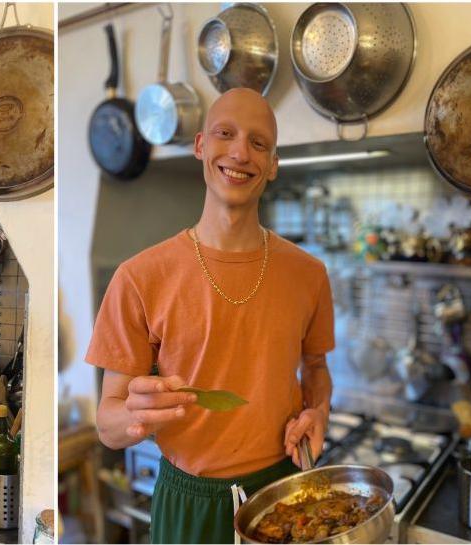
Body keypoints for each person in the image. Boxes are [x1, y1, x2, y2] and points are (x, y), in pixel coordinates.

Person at [86, 88, 335, 544]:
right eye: (226, 134)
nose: (241, 152)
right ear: (201, 145)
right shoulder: (139, 278)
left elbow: (316, 367)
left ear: (273, 164)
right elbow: (108, 423)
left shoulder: (309, 274)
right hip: (189, 500)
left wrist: (319, 411)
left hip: (284, 492)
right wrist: (138, 417)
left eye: (259, 143)